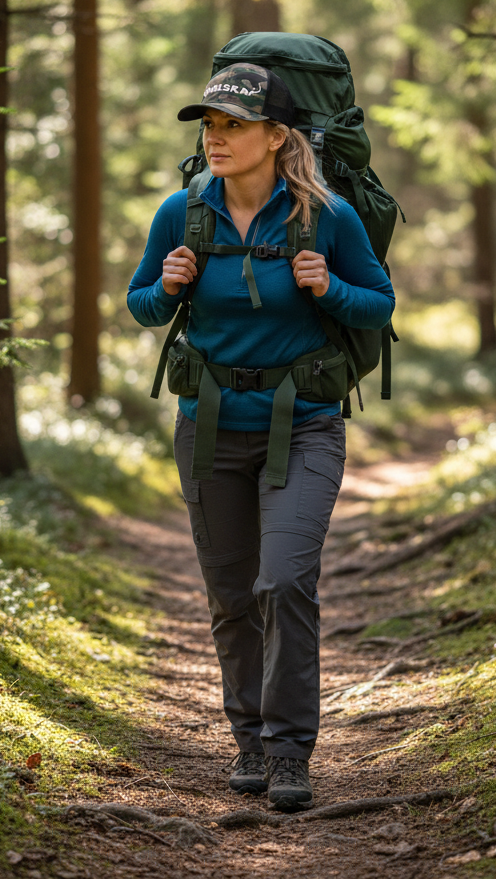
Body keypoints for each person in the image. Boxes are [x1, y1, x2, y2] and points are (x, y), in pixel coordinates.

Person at [127, 62, 395, 811]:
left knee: (283, 581)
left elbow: (378, 305)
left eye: (234, 125)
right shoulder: (180, 213)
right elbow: (141, 306)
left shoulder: (325, 216)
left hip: (305, 427)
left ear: (278, 137)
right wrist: (168, 286)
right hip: (209, 429)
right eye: (210, 125)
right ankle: (247, 738)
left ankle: (287, 753)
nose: (217, 138)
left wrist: (328, 287)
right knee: (231, 596)